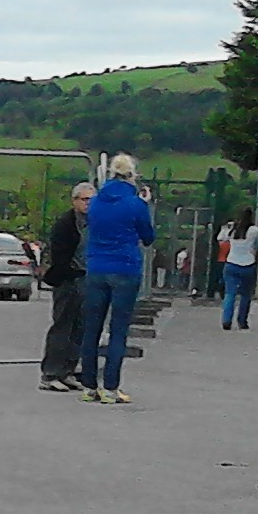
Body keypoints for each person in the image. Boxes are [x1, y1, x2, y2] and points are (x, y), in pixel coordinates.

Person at [77, 154, 155, 404]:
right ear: (132, 176)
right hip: (125, 268)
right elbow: (148, 237)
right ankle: (111, 387)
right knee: (118, 330)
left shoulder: (97, 202)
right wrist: (146, 205)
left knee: (92, 328)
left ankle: (89, 386)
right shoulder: (135, 204)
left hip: (97, 266)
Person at [38, 182, 94, 390]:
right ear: (75, 201)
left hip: (87, 279)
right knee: (62, 325)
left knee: (81, 327)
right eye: (84, 199)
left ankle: (68, 370)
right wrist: (68, 274)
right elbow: (59, 255)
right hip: (68, 279)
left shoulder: (94, 223)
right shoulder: (66, 224)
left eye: (91, 199)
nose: (88, 203)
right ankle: (51, 373)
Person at [218, 207, 258, 329]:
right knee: (246, 295)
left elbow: (220, 238)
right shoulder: (253, 230)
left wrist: (227, 227)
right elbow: (255, 243)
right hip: (248, 265)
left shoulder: (232, 230)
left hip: (231, 264)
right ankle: (242, 321)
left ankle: (226, 321)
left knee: (230, 293)